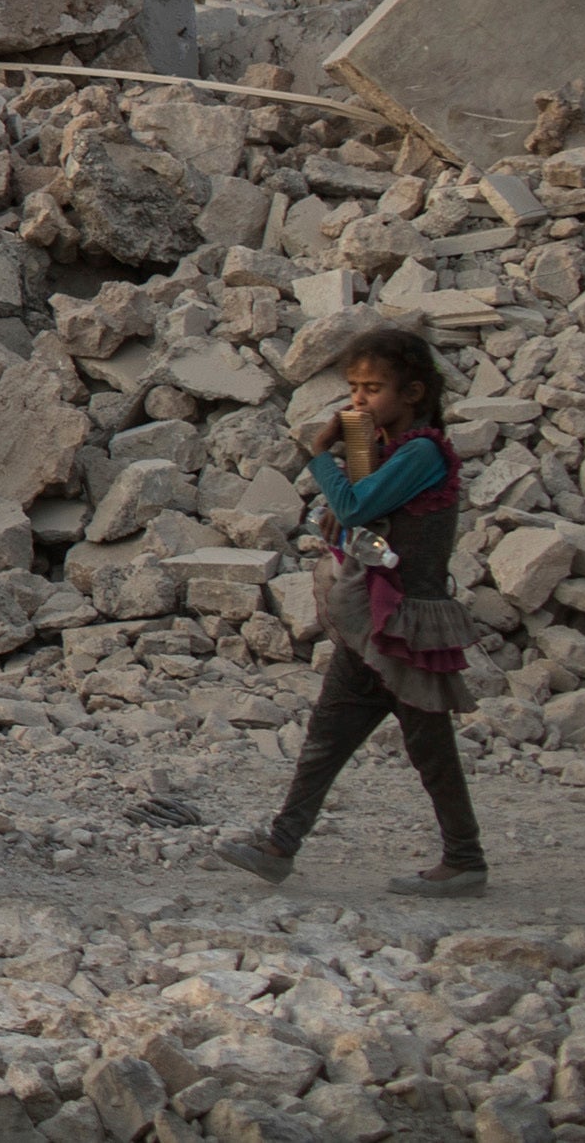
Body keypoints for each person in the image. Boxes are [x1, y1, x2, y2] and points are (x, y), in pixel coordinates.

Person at [215, 327, 488, 896]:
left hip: (406, 627)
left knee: (428, 748)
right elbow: (362, 511)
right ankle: (279, 846)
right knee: (327, 737)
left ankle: (464, 860)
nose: (359, 400)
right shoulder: (391, 451)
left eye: (373, 388)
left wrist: (321, 453)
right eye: (354, 388)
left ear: (413, 392)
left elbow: (358, 503)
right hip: (372, 625)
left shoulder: (421, 451)